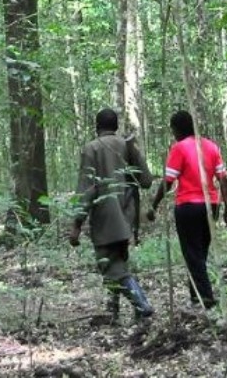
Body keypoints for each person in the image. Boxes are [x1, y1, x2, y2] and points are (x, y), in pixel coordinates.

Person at [68, 108, 155, 323]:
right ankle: (113, 313)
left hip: (105, 218)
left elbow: (86, 189)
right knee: (118, 262)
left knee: (111, 267)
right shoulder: (127, 145)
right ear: (115, 126)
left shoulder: (92, 148)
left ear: (97, 127)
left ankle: (142, 305)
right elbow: (146, 180)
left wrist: (77, 223)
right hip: (127, 216)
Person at [147, 110, 227, 310]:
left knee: (193, 254)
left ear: (177, 129)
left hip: (188, 206)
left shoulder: (179, 148)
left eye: (173, 130)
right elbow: (223, 180)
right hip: (211, 205)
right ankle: (197, 297)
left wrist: (154, 205)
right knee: (200, 253)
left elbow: (168, 181)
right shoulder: (211, 146)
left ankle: (206, 298)